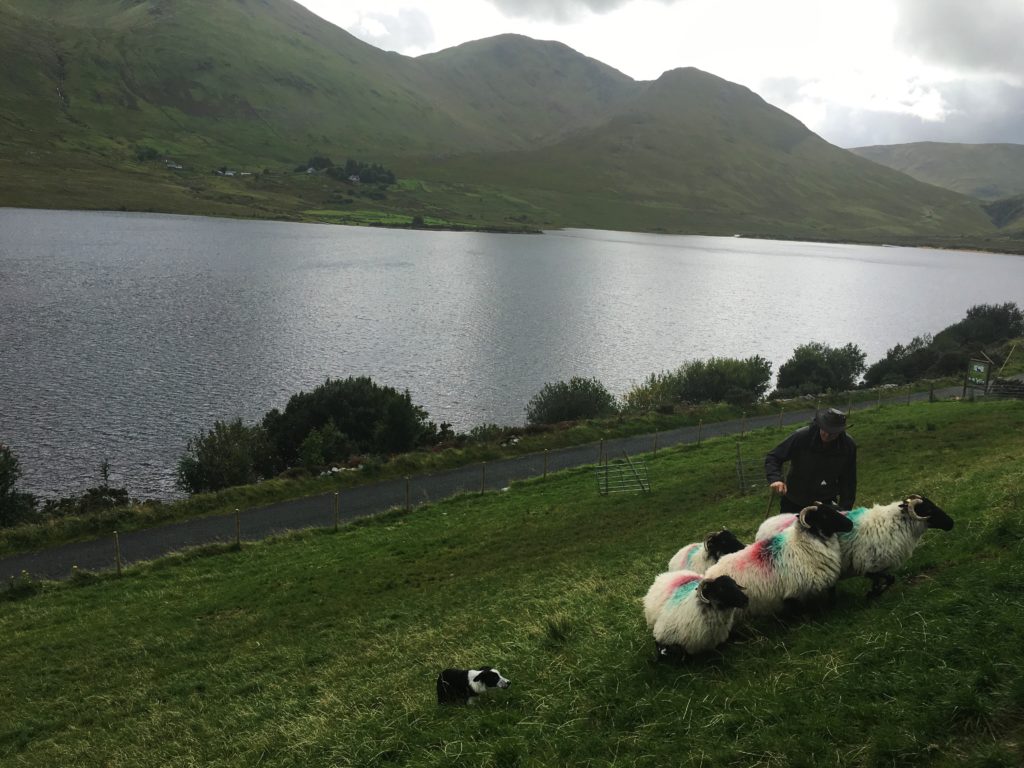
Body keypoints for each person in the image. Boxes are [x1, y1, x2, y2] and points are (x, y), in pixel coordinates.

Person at [764, 407, 856, 513]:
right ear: (820, 425)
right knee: (791, 529)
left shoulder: (848, 446)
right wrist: (775, 479)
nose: (827, 435)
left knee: (824, 529)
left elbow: (849, 479)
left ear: (840, 431)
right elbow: (774, 457)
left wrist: (845, 509)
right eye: (825, 430)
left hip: (825, 501)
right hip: (794, 499)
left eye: (832, 433)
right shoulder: (801, 437)